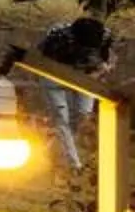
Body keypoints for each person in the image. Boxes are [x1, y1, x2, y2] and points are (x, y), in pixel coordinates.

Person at [34, 16, 114, 173]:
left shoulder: (105, 37)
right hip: (54, 73)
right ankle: (74, 164)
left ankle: (53, 141)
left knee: (83, 114)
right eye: (85, 48)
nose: (88, 51)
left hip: (85, 74)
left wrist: (101, 69)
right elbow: (40, 60)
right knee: (61, 118)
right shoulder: (58, 37)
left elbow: (106, 59)